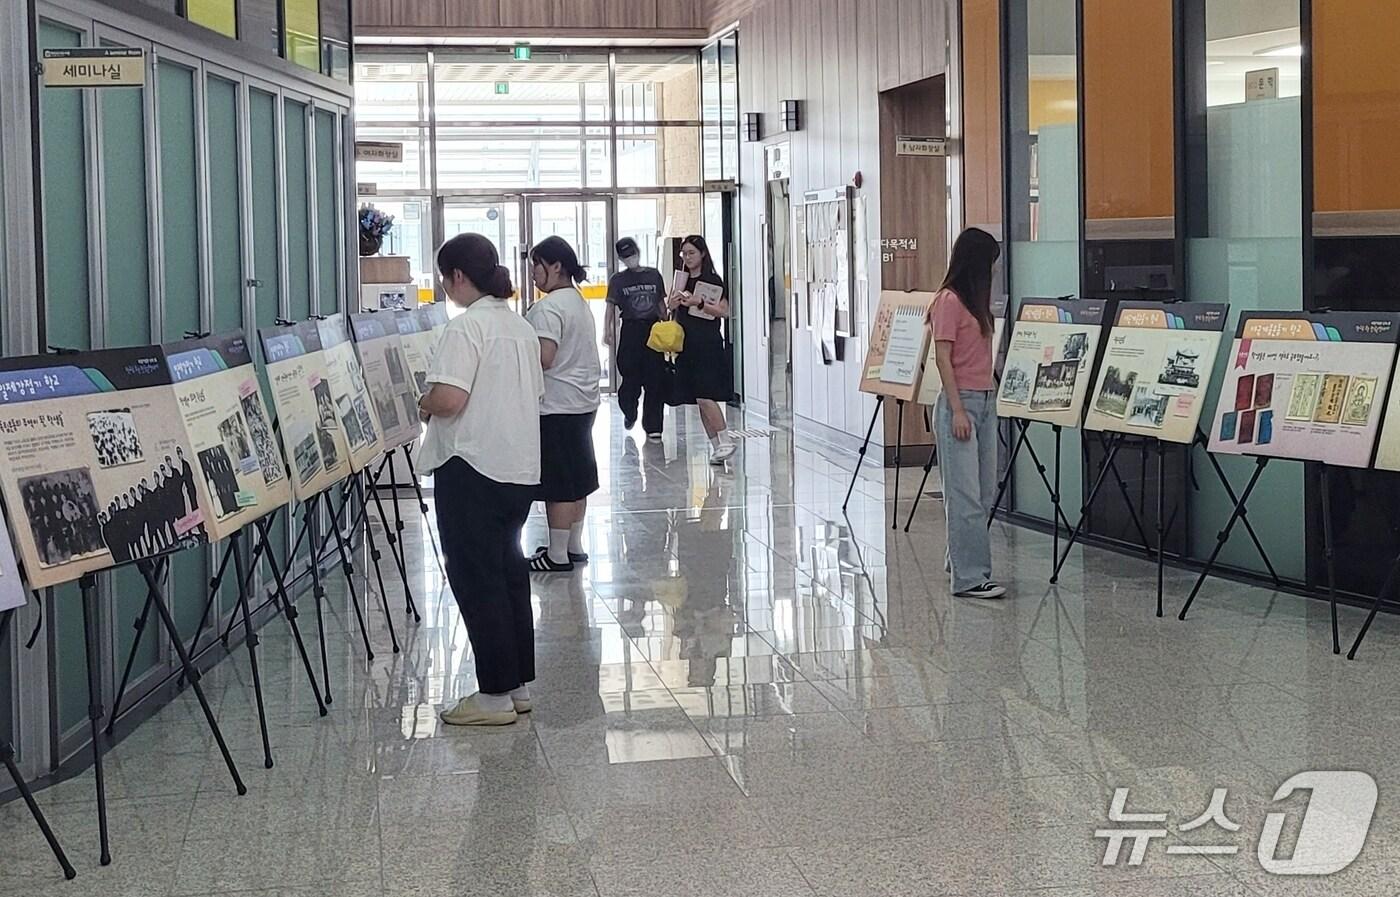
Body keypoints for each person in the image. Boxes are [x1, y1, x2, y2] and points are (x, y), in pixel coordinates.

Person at [417, 232, 545, 726]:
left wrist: (421, 400)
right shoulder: (518, 328)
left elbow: (449, 400)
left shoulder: (466, 328)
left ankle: (493, 695)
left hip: (472, 467)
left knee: (477, 579)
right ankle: (516, 685)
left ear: (457, 277)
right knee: (508, 573)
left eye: (445, 278)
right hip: (517, 469)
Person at [930, 227, 1006, 600]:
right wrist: (958, 410)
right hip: (960, 405)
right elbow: (942, 357)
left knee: (984, 491)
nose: (994, 272)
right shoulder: (948, 301)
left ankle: (958, 557)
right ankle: (971, 577)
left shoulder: (978, 303)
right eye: (990, 263)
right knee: (964, 496)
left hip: (986, 402)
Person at [524, 236, 602, 573]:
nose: (533, 275)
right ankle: (573, 546)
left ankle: (556, 556)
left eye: (536, 267)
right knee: (578, 478)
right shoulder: (578, 301)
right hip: (584, 402)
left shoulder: (549, 307)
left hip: (556, 404)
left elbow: (545, 357)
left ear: (556, 266)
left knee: (559, 483)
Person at [667, 235, 735, 464]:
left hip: (707, 343)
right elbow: (670, 307)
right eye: (684, 254)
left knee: (707, 395)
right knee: (699, 398)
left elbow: (723, 311)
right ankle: (717, 447)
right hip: (687, 344)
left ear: (702, 253)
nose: (687, 257)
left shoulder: (713, 280)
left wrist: (699, 303)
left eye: (691, 253)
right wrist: (675, 302)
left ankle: (725, 440)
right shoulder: (681, 280)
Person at [605, 237, 668, 440]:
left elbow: (660, 303)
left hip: (653, 330)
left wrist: (667, 325)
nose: (630, 259)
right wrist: (607, 330)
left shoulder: (653, 275)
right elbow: (610, 307)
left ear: (637, 252)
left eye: (631, 254)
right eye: (626, 257)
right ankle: (629, 410)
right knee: (630, 377)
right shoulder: (618, 280)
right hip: (630, 330)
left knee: (655, 380)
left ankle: (653, 426)